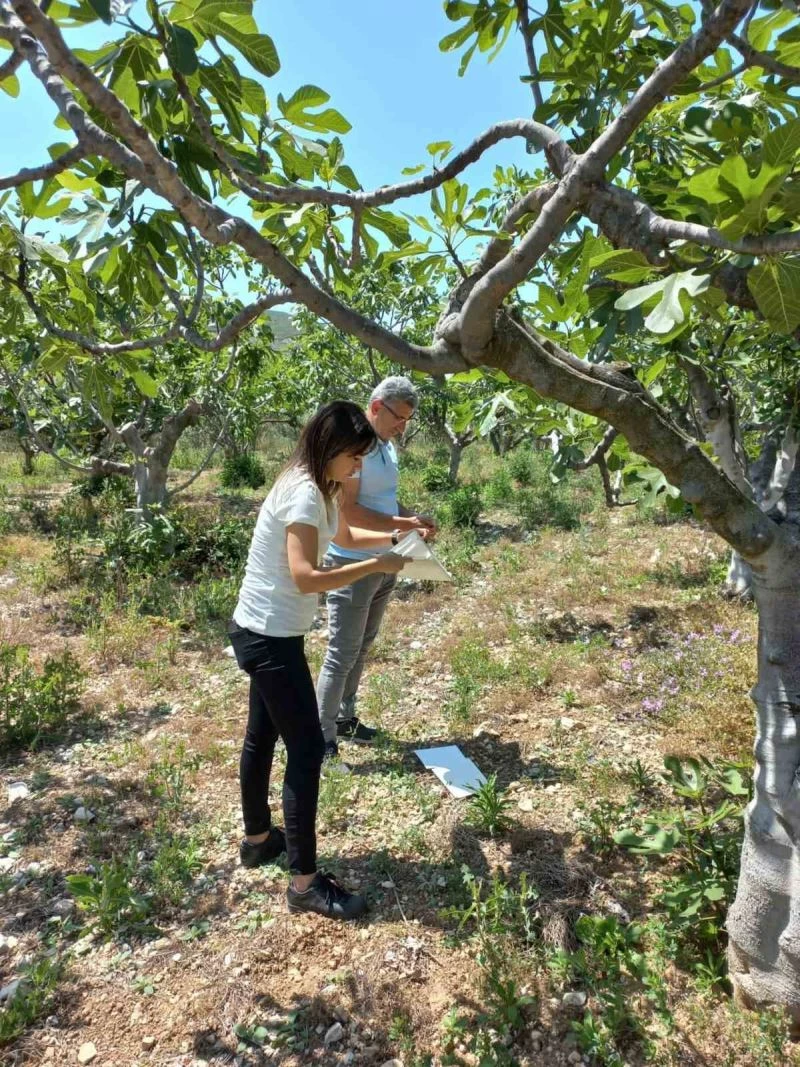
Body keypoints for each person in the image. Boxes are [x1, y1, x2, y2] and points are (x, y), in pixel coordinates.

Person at [228, 400, 408, 921]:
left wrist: (395, 540)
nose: (357, 469)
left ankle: (259, 838)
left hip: (265, 629)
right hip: (269, 638)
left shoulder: (316, 485)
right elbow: (306, 575)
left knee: (262, 735)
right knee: (307, 749)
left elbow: (347, 536)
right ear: (331, 449)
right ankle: (304, 883)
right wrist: (375, 564)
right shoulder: (306, 493)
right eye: (353, 458)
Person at [316, 376, 436, 760]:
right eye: (398, 417)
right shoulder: (356, 451)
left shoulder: (386, 448)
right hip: (354, 560)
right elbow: (350, 511)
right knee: (342, 650)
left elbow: (385, 501)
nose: (403, 426)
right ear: (375, 407)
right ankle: (322, 739)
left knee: (363, 643)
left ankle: (345, 718)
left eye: (407, 420)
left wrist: (410, 518)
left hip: (385, 558)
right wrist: (402, 529)